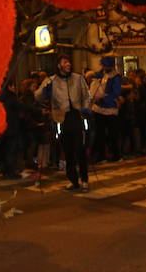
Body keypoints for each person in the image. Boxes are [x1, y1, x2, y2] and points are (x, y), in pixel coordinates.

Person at [35, 54, 92, 192]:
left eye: (69, 62)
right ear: (59, 65)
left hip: (77, 116)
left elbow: (86, 95)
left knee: (80, 149)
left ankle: (84, 180)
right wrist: (45, 90)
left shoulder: (78, 78)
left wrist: (85, 108)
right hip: (61, 118)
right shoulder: (51, 80)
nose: (68, 64)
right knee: (67, 151)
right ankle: (73, 180)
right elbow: (37, 96)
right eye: (65, 62)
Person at [89, 56, 122, 162]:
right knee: (100, 134)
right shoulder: (100, 74)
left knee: (113, 134)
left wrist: (103, 98)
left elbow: (116, 92)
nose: (104, 67)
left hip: (110, 108)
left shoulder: (116, 77)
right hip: (99, 109)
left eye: (105, 65)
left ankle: (115, 155)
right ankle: (101, 155)